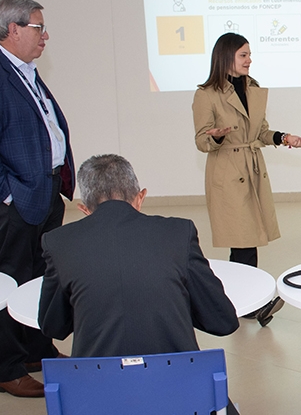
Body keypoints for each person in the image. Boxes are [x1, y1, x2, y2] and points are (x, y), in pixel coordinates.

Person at [39, 154, 241, 414]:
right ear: (140, 196)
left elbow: (52, 325)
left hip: (95, 398)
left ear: (84, 209)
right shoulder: (179, 233)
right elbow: (223, 321)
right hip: (181, 396)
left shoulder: (58, 243)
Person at [0, 0, 72, 398]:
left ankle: (35, 349)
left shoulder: (23, 68)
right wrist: (8, 196)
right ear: (14, 30)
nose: (45, 37)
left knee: (40, 280)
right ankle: (5, 368)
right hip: (20, 200)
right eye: (39, 28)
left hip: (44, 193)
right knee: (9, 281)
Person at [192, 32, 301, 325]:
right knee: (242, 240)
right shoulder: (206, 94)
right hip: (227, 172)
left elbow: (261, 132)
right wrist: (214, 136)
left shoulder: (252, 88)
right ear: (227, 57)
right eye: (243, 55)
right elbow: (201, 141)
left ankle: (243, 300)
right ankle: (244, 302)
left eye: (249, 54)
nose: (249, 60)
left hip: (252, 168)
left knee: (249, 239)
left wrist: (283, 138)